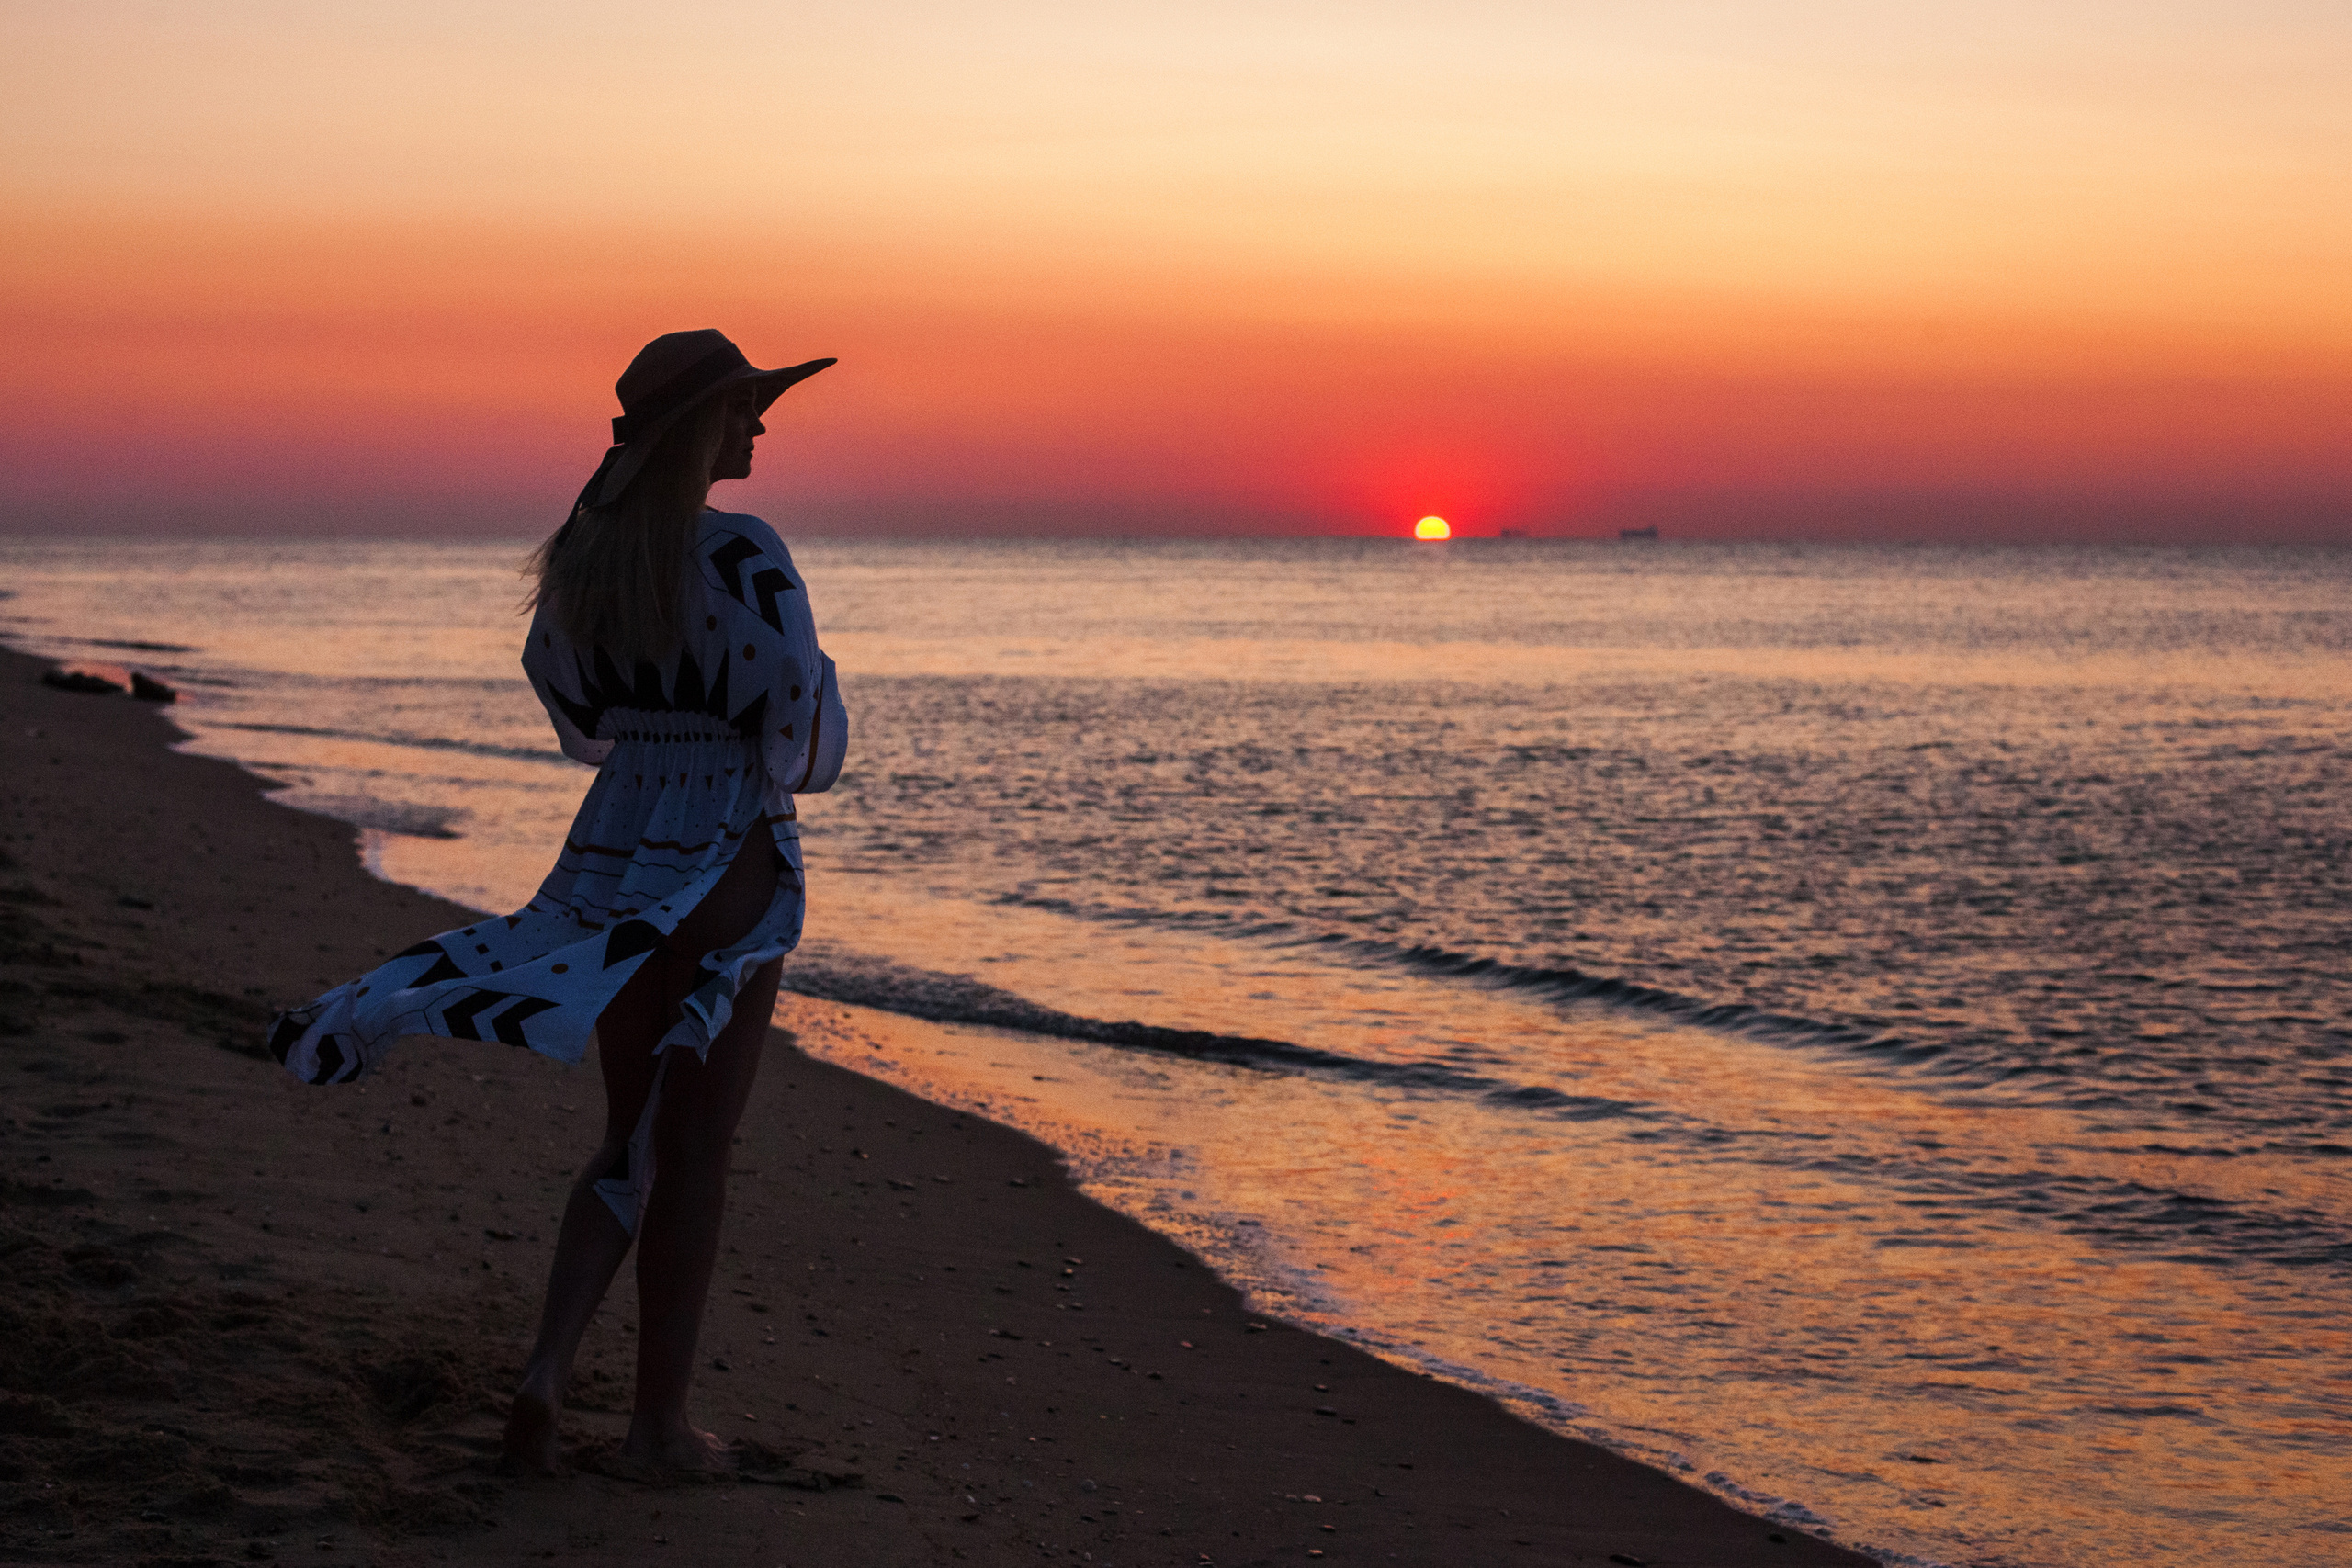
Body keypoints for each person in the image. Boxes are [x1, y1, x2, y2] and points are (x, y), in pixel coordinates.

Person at [267, 329, 848, 1475]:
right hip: (726, 837)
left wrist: (649, 748)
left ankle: (543, 1373)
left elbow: (569, 700)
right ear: (699, 431)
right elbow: (796, 722)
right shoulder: (744, 556)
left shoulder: (586, 560)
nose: (761, 427)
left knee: (625, 1133)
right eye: (743, 410)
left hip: (619, 838)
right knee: (700, 1150)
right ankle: (656, 1429)